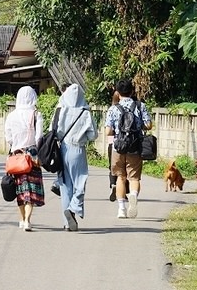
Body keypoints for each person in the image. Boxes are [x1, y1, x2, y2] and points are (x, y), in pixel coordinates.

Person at [105, 78, 152, 219]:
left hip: (118, 147)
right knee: (134, 178)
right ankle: (133, 195)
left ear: (118, 93)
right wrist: (138, 127)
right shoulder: (140, 106)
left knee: (120, 177)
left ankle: (121, 209)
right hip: (135, 146)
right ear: (132, 92)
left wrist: (119, 132)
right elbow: (149, 125)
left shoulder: (113, 109)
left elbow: (108, 131)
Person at [53, 84, 97, 231]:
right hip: (77, 149)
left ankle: (67, 223)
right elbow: (93, 135)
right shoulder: (85, 112)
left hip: (61, 149)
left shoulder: (60, 109)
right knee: (80, 182)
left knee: (65, 186)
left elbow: (52, 130)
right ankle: (72, 209)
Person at [3, 86, 45, 231]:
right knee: (31, 189)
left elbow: (8, 137)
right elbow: (39, 136)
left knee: (20, 189)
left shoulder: (11, 116)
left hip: (16, 156)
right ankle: (27, 219)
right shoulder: (36, 114)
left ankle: (22, 219)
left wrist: (15, 144)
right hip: (32, 155)